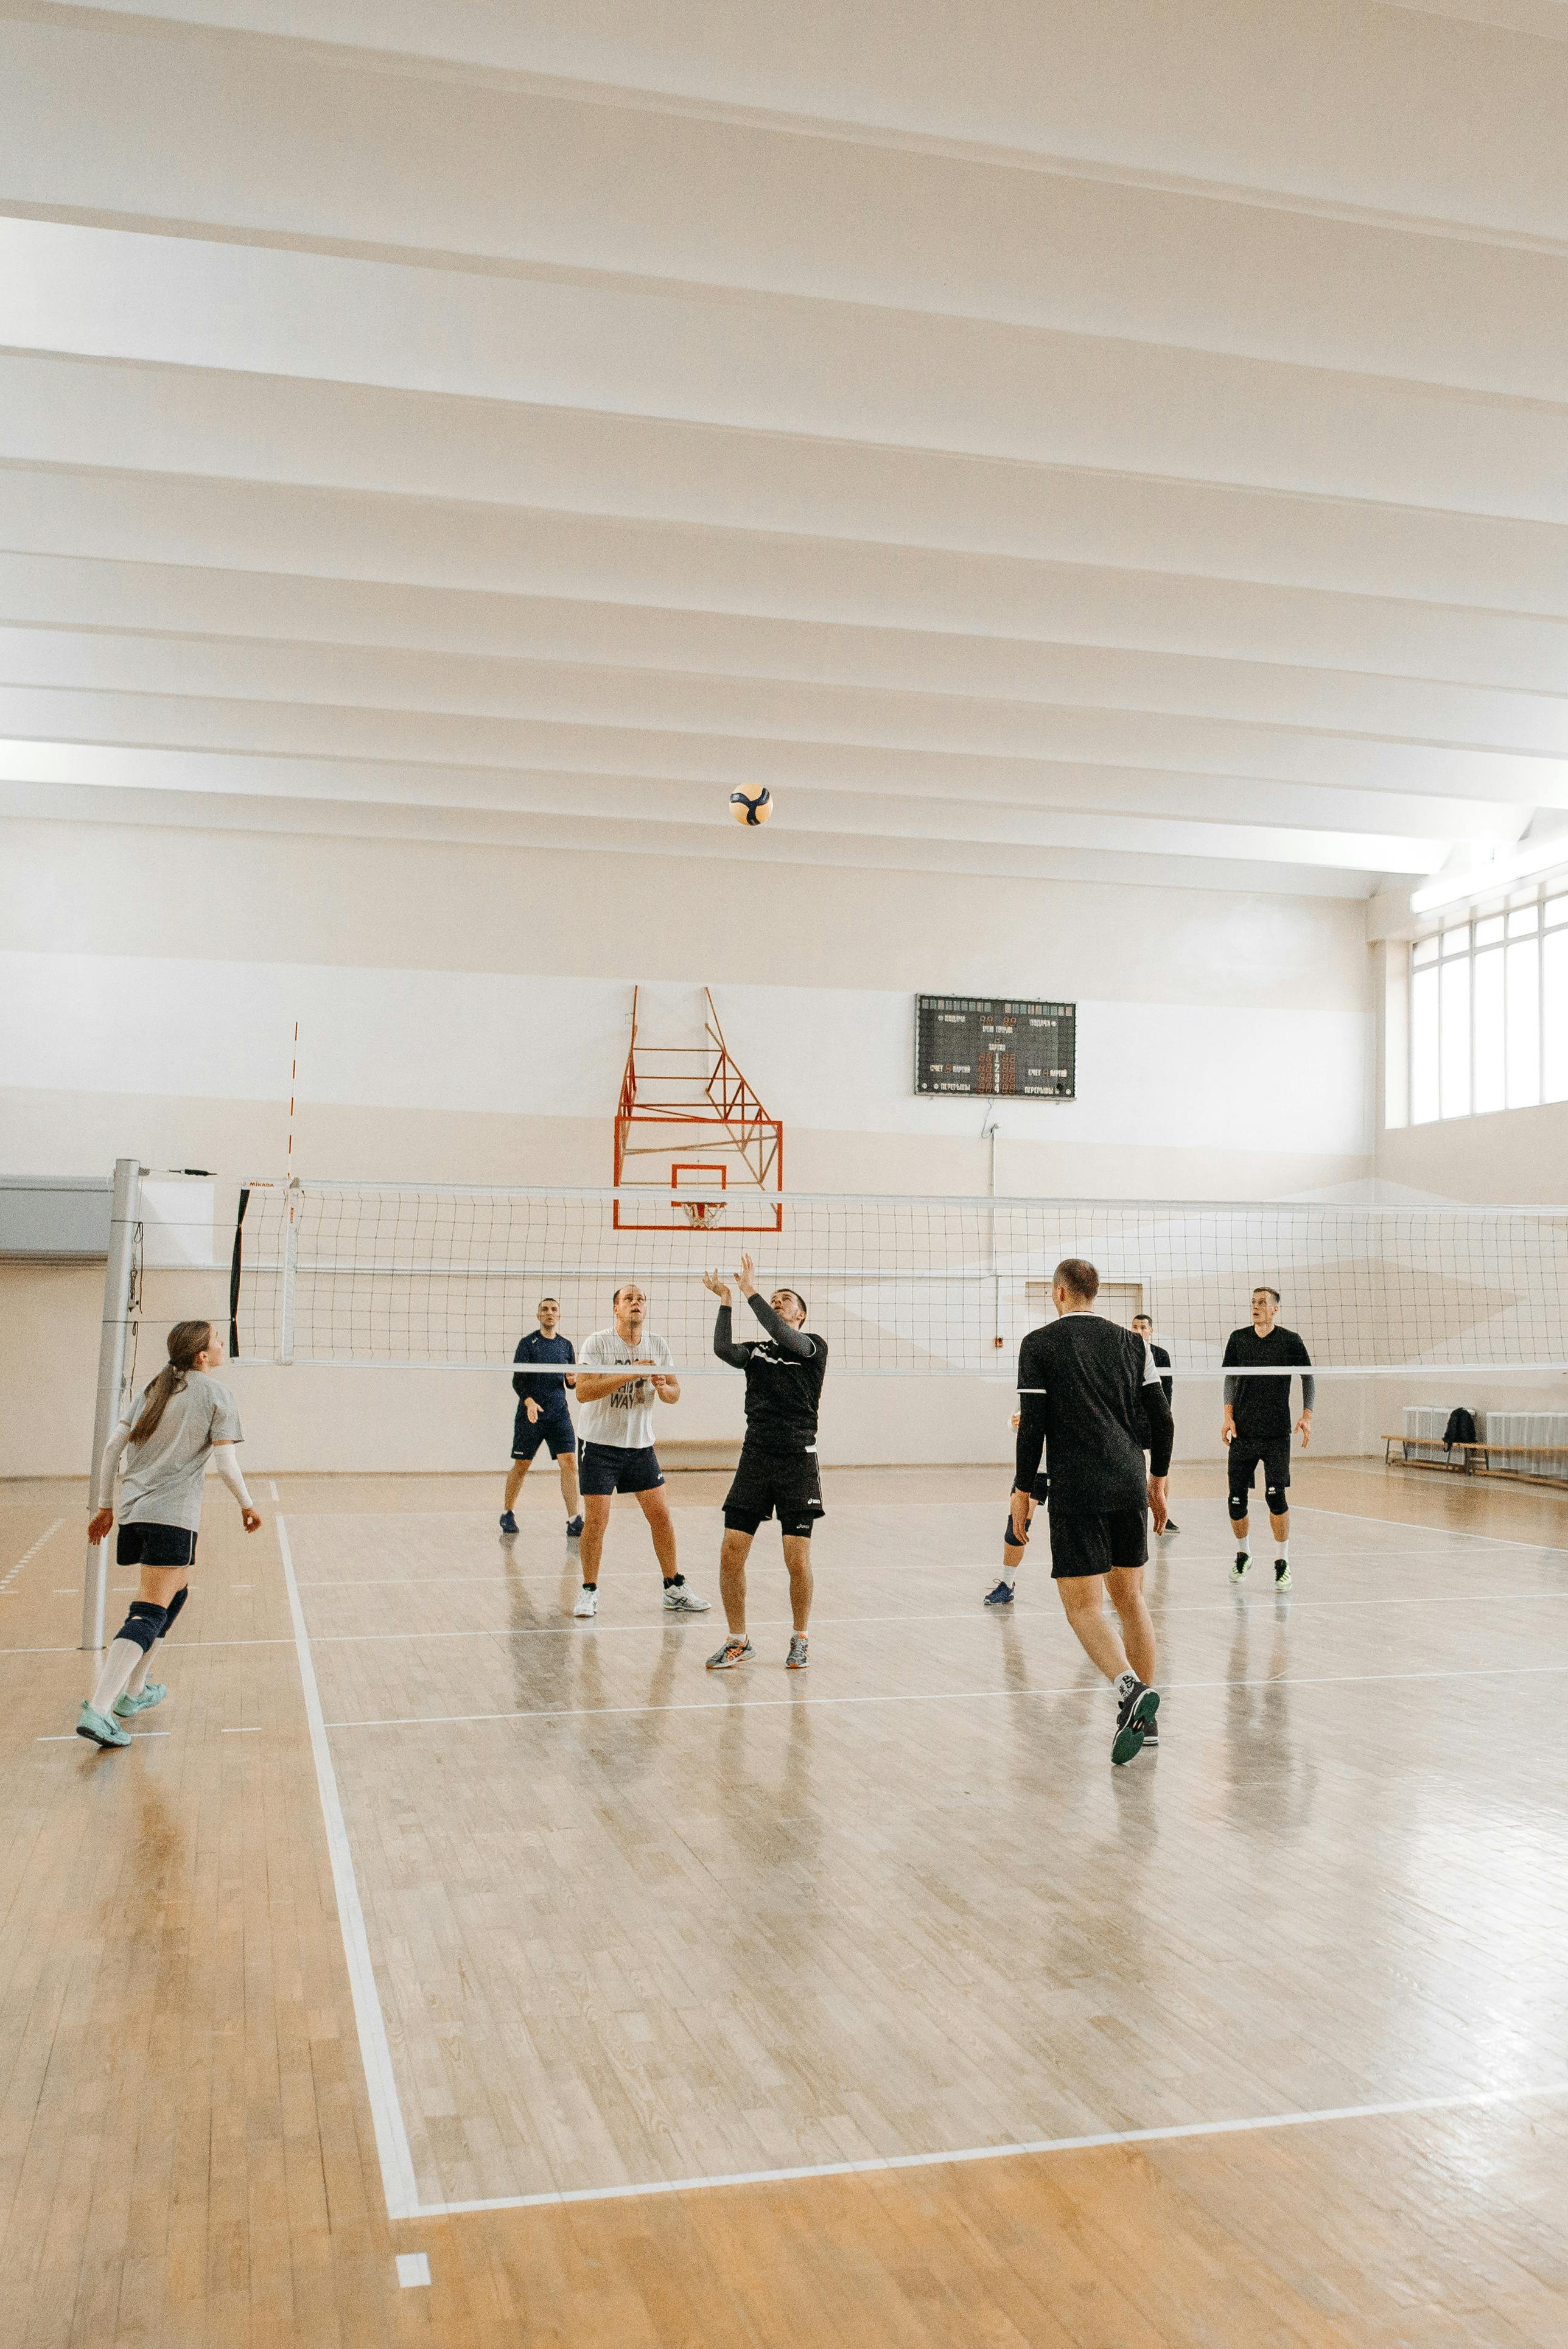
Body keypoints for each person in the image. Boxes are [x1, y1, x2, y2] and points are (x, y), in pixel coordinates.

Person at [1013, 1258, 1172, 1765]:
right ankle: (1145, 1723)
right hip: (1129, 1481)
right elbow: (1163, 1422)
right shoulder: (1135, 1342)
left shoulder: (1038, 1344)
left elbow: (1032, 1424)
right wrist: (1158, 1482)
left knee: (1082, 1605)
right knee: (1131, 1601)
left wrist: (1022, 1490)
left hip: (1078, 1487)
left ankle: (1129, 1689)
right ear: (1093, 1293)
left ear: (1060, 1293)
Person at [76, 1318, 262, 1749]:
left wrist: (105, 1505)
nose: (222, 1345)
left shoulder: (156, 1386)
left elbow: (112, 1450)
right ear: (203, 1356)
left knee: (176, 1594)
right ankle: (101, 1709)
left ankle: (135, 1692)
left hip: (133, 1512)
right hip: (171, 1517)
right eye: (218, 1340)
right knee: (148, 1609)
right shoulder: (216, 1394)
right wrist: (247, 1504)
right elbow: (226, 1465)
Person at [701, 1255, 826, 1670]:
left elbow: (779, 1331)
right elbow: (723, 1348)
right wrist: (725, 1300)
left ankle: (800, 1637)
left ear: (801, 1314)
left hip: (797, 1462)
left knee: (796, 1558)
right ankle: (738, 1639)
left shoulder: (812, 1348)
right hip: (755, 1458)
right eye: (774, 1298)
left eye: (785, 1299)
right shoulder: (756, 1353)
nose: (778, 1303)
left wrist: (750, 1289)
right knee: (731, 1552)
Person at [571, 1283, 708, 1619]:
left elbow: (676, 1393)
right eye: (628, 1299)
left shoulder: (658, 1344)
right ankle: (589, 1590)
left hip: (640, 1446)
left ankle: (673, 1587)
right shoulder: (598, 1342)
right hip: (600, 1445)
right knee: (597, 1521)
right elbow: (584, 1392)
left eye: (641, 1299)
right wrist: (631, 1372)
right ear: (615, 1308)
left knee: (661, 1517)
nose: (636, 1303)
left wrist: (662, 1387)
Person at [1222, 1287, 1314, 1591]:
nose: (1256, 1306)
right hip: (1243, 1433)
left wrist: (1307, 1415)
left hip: (1276, 1433)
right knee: (1236, 1501)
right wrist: (1228, 1416)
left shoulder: (1290, 1341)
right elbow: (1230, 1378)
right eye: (1253, 1302)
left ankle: (1282, 1561)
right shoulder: (1238, 1338)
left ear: (1276, 1309)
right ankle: (1243, 1554)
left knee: (1275, 1497)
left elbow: (1308, 1377)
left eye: (1262, 1303)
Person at [499, 1297, 583, 1539]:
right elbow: (518, 1379)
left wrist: (573, 1379)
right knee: (522, 1465)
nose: (549, 1313)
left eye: (554, 1310)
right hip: (531, 1413)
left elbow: (571, 1384)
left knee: (569, 1463)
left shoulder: (566, 1346)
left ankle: (574, 1519)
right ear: (539, 1316)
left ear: (559, 1316)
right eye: (545, 1310)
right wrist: (529, 1402)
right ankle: (508, 1512)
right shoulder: (528, 1344)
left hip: (558, 1414)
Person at [984, 1409, 1043, 1606]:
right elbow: (1014, 1421)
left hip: (1068, 1468)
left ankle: (1117, 1583)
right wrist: (1013, 1422)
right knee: (1015, 1530)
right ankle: (1007, 1585)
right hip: (1033, 1471)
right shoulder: (1030, 1383)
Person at [1132, 1313, 1180, 1535]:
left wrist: (1162, 1416)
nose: (1139, 1331)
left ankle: (1164, 1513)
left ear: (1151, 1330)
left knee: (1161, 1466)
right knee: (1135, 1466)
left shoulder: (1161, 1355)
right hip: (1131, 1418)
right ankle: (1137, 1513)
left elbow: (1166, 1389)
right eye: (1135, 1327)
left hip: (1153, 1416)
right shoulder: (1126, 1352)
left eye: (1143, 1327)